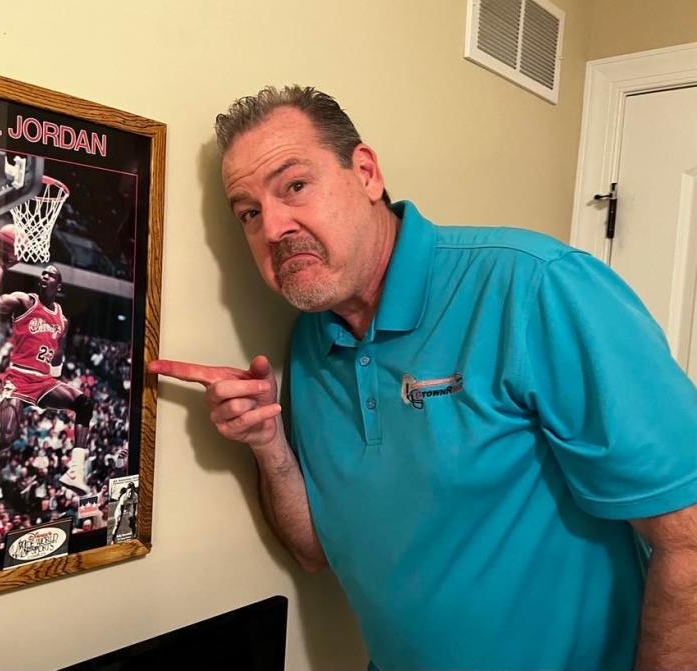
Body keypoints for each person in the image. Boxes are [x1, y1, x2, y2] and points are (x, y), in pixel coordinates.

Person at [149, 86, 697, 671]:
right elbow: (314, 553)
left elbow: (688, 537)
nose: (275, 227)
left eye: (295, 186)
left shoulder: (533, 285)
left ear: (365, 173)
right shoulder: (311, 342)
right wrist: (268, 446)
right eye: (249, 213)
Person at [0, 262, 95, 497]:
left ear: (58, 285)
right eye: (42, 273)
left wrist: (55, 379)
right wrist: (1, 267)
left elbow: (58, 351)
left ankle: (75, 470)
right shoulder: (25, 301)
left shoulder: (62, 319)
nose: (44, 276)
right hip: (19, 376)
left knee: (85, 404)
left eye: (50, 275)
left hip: (43, 380)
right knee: (7, 437)